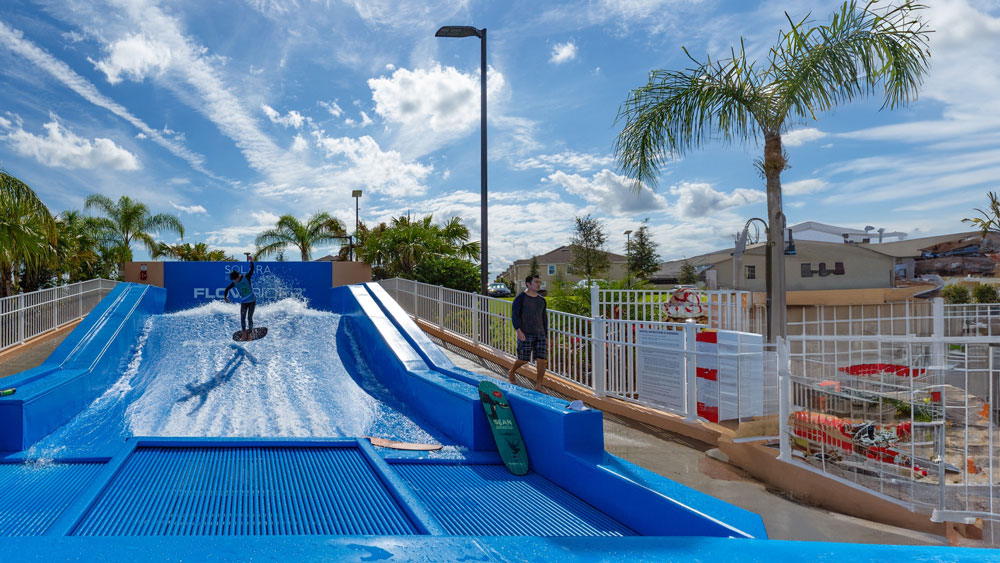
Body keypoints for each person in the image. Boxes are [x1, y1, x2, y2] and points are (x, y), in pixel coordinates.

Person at [508, 274, 548, 390]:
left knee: (542, 360)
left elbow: (544, 318)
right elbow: (515, 316)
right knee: (523, 359)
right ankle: (512, 371)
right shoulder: (520, 299)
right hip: (525, 333)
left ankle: (539, 385)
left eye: (539, 282)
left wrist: (546, 335)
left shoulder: (541, 300)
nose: (538, 284)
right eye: (536, 282)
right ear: (528, 284)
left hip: (540, 334)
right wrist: (518, 331)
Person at [224, 254, 257, 340]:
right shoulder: (235, 282)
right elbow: (227, 289)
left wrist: (251, 261)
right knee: (242, 318)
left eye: (235, 279)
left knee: (249, 317)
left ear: (238, 276)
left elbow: (251, 270)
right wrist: (225, 297)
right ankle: (244, 333)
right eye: (234, 280)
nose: (235, 281)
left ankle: (249, 334)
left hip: (252, 301)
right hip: (244, 302)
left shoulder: (246, 277)